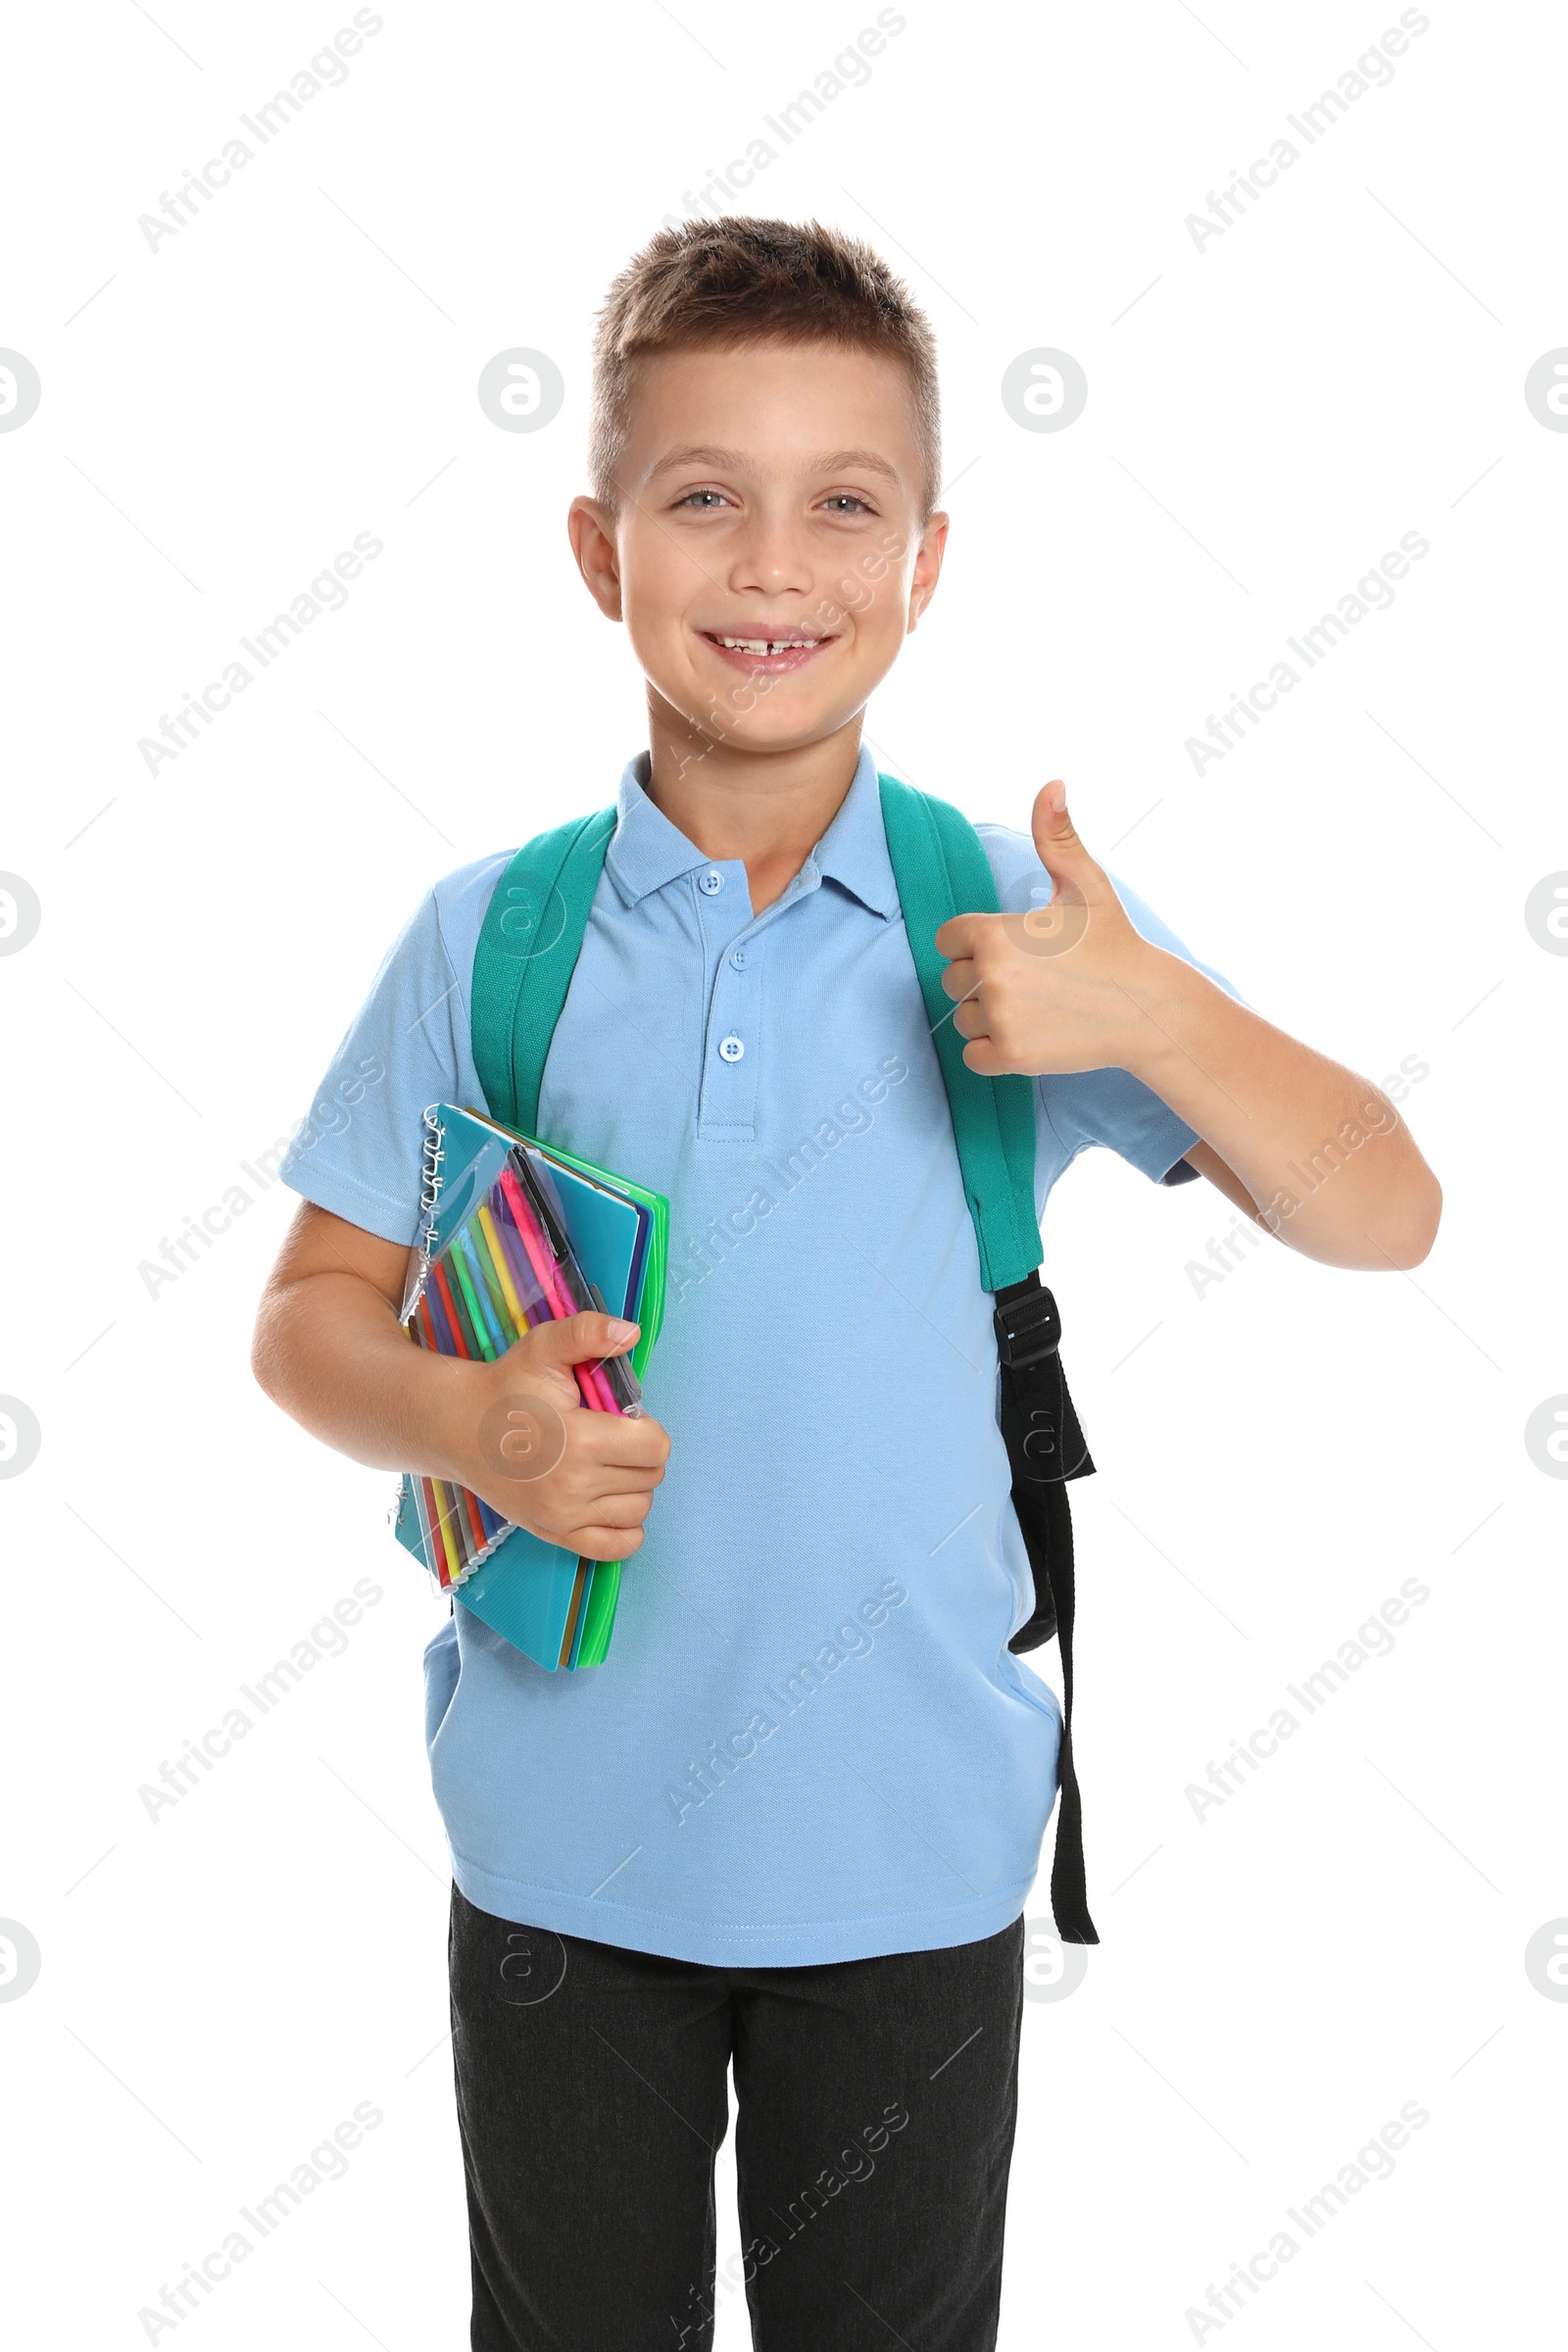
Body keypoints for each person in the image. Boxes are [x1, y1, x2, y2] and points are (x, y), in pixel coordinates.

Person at [251, 216, 1442, 2351]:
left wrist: (1151, 1019)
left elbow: (1386, 1214)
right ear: (597, 550)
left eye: (842, 506)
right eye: (701, 498)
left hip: (907, 1864)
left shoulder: (1007, 915)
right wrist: (466, 1423)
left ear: (926, 559)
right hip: (554, 1868)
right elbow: (303, 1316)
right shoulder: (486, 938)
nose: (771, 564)